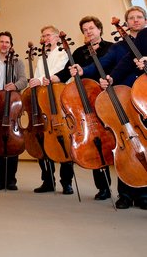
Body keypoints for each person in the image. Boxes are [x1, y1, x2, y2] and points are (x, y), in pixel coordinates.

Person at [52, 16, 113, 200]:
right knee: (94, 140)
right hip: (85, 102)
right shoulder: (78, 52)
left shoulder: (111, 48)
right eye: (85, 29)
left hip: (106, 98)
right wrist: (47, 79)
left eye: (91, 28)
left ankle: (129, 188)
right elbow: (65, 72)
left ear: (99, 29)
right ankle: (103, 187)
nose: (88, 31)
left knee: (110, 139)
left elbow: (116, 67)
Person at [99, 25, 147, 210]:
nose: (135, 20)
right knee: (129, 142)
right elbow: (129, 59)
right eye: (131, 17)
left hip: (143, 96)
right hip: (133, 97)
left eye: (138, 17)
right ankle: (125, 194)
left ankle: (144, 193)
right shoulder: (143, 35)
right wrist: (112, 77)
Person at [29, 25, 74, 194]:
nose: (45, 38)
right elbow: (37, 76)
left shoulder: (64, 53)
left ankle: (66, 182)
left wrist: (39, 80)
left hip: (59, 99)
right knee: (44, 139)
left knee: (64, 139)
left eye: (48, 35)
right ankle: (48, 180)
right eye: (43, 35)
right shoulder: (41, 58)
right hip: (44, 102)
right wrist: (34, 81)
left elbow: (59, 74)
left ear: (56, 37)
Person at [0, 31, 27, 191]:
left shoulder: (18, 63)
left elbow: (24, 80)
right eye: (1, 41)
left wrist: (15, 86)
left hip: (13, 109)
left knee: (14, 143)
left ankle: (11, 179)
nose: (4, 44)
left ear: (11, 45)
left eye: (7, 42)